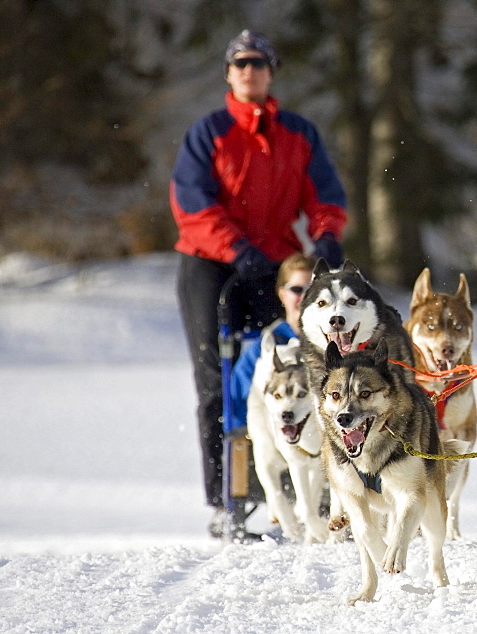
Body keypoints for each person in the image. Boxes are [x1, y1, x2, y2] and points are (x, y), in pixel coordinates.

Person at [170, 29, 347, 537]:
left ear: (271, 72)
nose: (249, 71)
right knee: (218, 380)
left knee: (297, 363)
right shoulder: (209, 133)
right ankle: (228, 498)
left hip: (272, 264)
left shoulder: (298, 132)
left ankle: (304, 487)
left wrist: (327, 234)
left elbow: (324, 193)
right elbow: (191, 202)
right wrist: (234, 246)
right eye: (240, 63)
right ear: (229, 73)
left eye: (258, 63)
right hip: (212, 264)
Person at [228, 252, 314, 431]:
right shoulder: (268, 343)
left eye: (312, 290)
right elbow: (237, 395)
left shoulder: (333, 342)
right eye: (297, 290)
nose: (304, 297)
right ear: (282, 294)